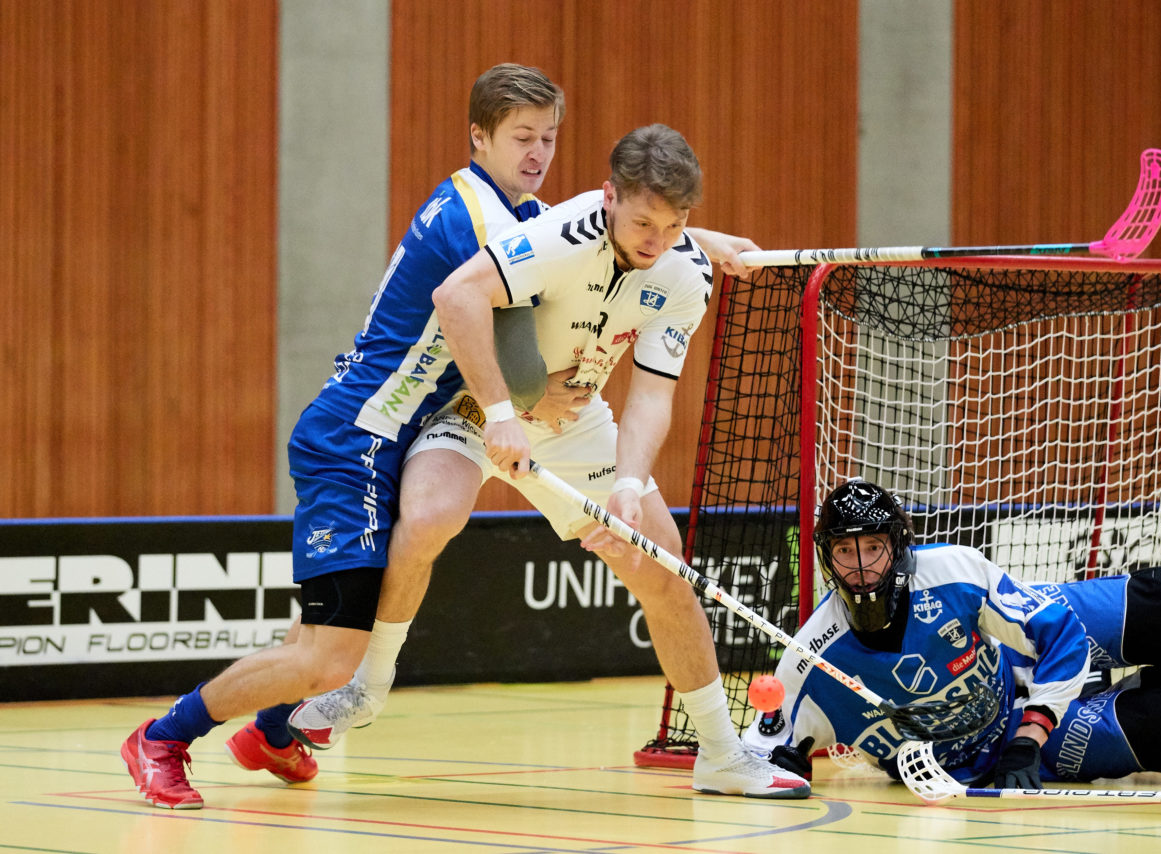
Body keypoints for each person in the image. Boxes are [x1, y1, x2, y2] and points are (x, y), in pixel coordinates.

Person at [120, 64, 761, 811]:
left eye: (548, 138)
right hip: (358, 438)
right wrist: (517, 403)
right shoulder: (485, 219)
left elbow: (587, 227)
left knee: (331, 641)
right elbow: (555, 249)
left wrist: (689, 237)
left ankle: (274, 729)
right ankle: (163, 737)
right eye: (522, 138)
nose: (537, 154)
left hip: (401, 431)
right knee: (328, 653)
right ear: (478, 137)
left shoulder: (504, 207)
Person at [287, 123, 810, 800]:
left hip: (575, 420)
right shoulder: (560, 236)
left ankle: (718, 753)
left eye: (676, 224)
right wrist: (502, 411)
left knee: (663, 567)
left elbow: (652, 395)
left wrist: (627, 484)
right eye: (644, 221)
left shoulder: (685, 273)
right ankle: (368, 687)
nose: (657, 239)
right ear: (608, 198)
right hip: (479, 412)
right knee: (426, 519)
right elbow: (457, 296)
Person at [742, 478, 1161, 790]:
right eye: (845, 552)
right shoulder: (812, 663)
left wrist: (1031, 731)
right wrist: (783, 767)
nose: (863, 568)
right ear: (827, 558)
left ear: (898, 549)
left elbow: (1060, 633)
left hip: (1016, 659)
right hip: (995, 750)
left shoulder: (951, 572)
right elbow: (754, 761)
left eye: (874, 547)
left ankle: (1112, 668)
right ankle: (1115, 694)